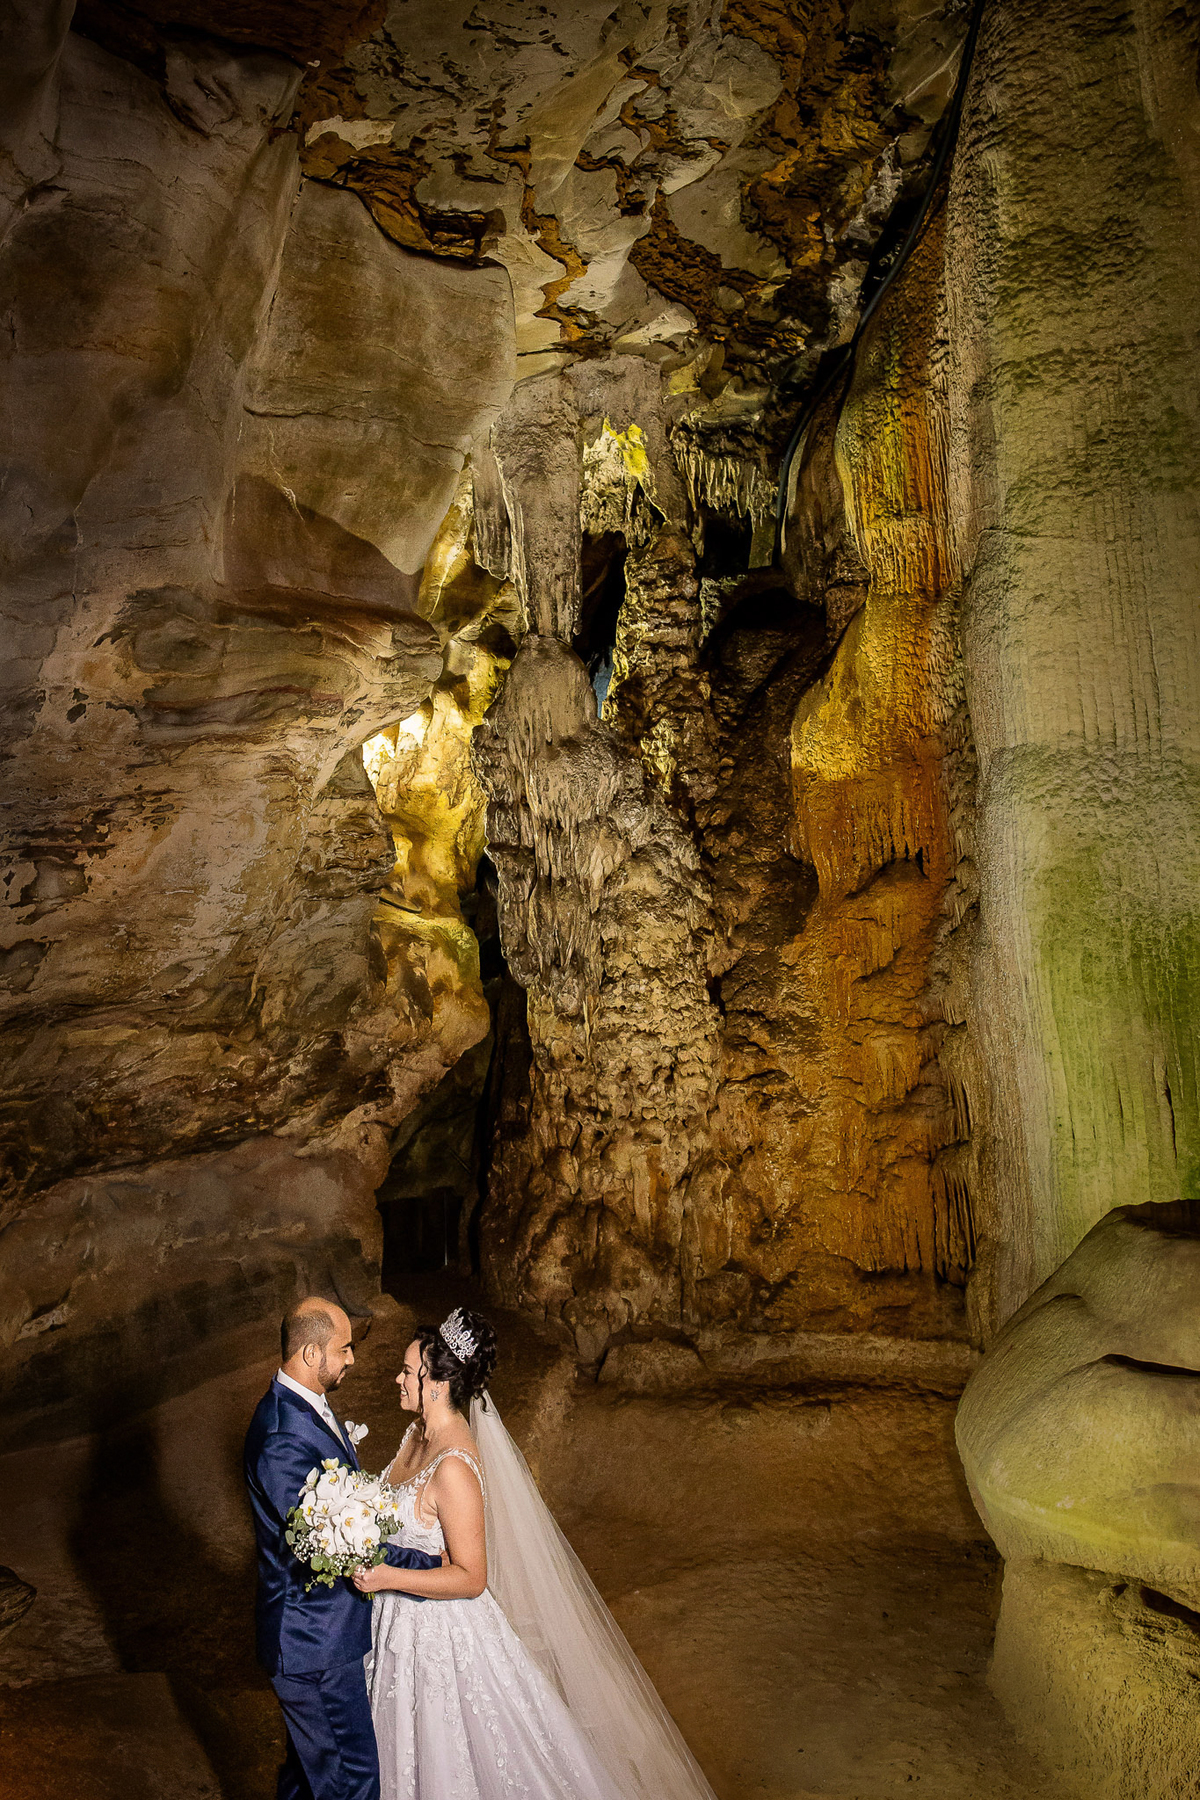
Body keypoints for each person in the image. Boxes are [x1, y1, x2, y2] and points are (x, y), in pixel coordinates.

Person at [353, 1305, 720, 1800]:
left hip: (437, 1634)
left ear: (436, 1383)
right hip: (396, 1621)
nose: (398, 1379)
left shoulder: (453, 1467)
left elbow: (472, 1577)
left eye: (406, 1371)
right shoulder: (416, 1433)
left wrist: (388, 1577)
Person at [243, 1297, 441, 1800]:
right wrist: (429, 1567)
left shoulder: (305, 1404)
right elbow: (342, 1541)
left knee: (307, 1778)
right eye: (344, 1348)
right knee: (352, 1779)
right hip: (312, 1642)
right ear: (311, 1354)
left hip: (321, 1635)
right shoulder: (282, 1436)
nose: (352, 1359)